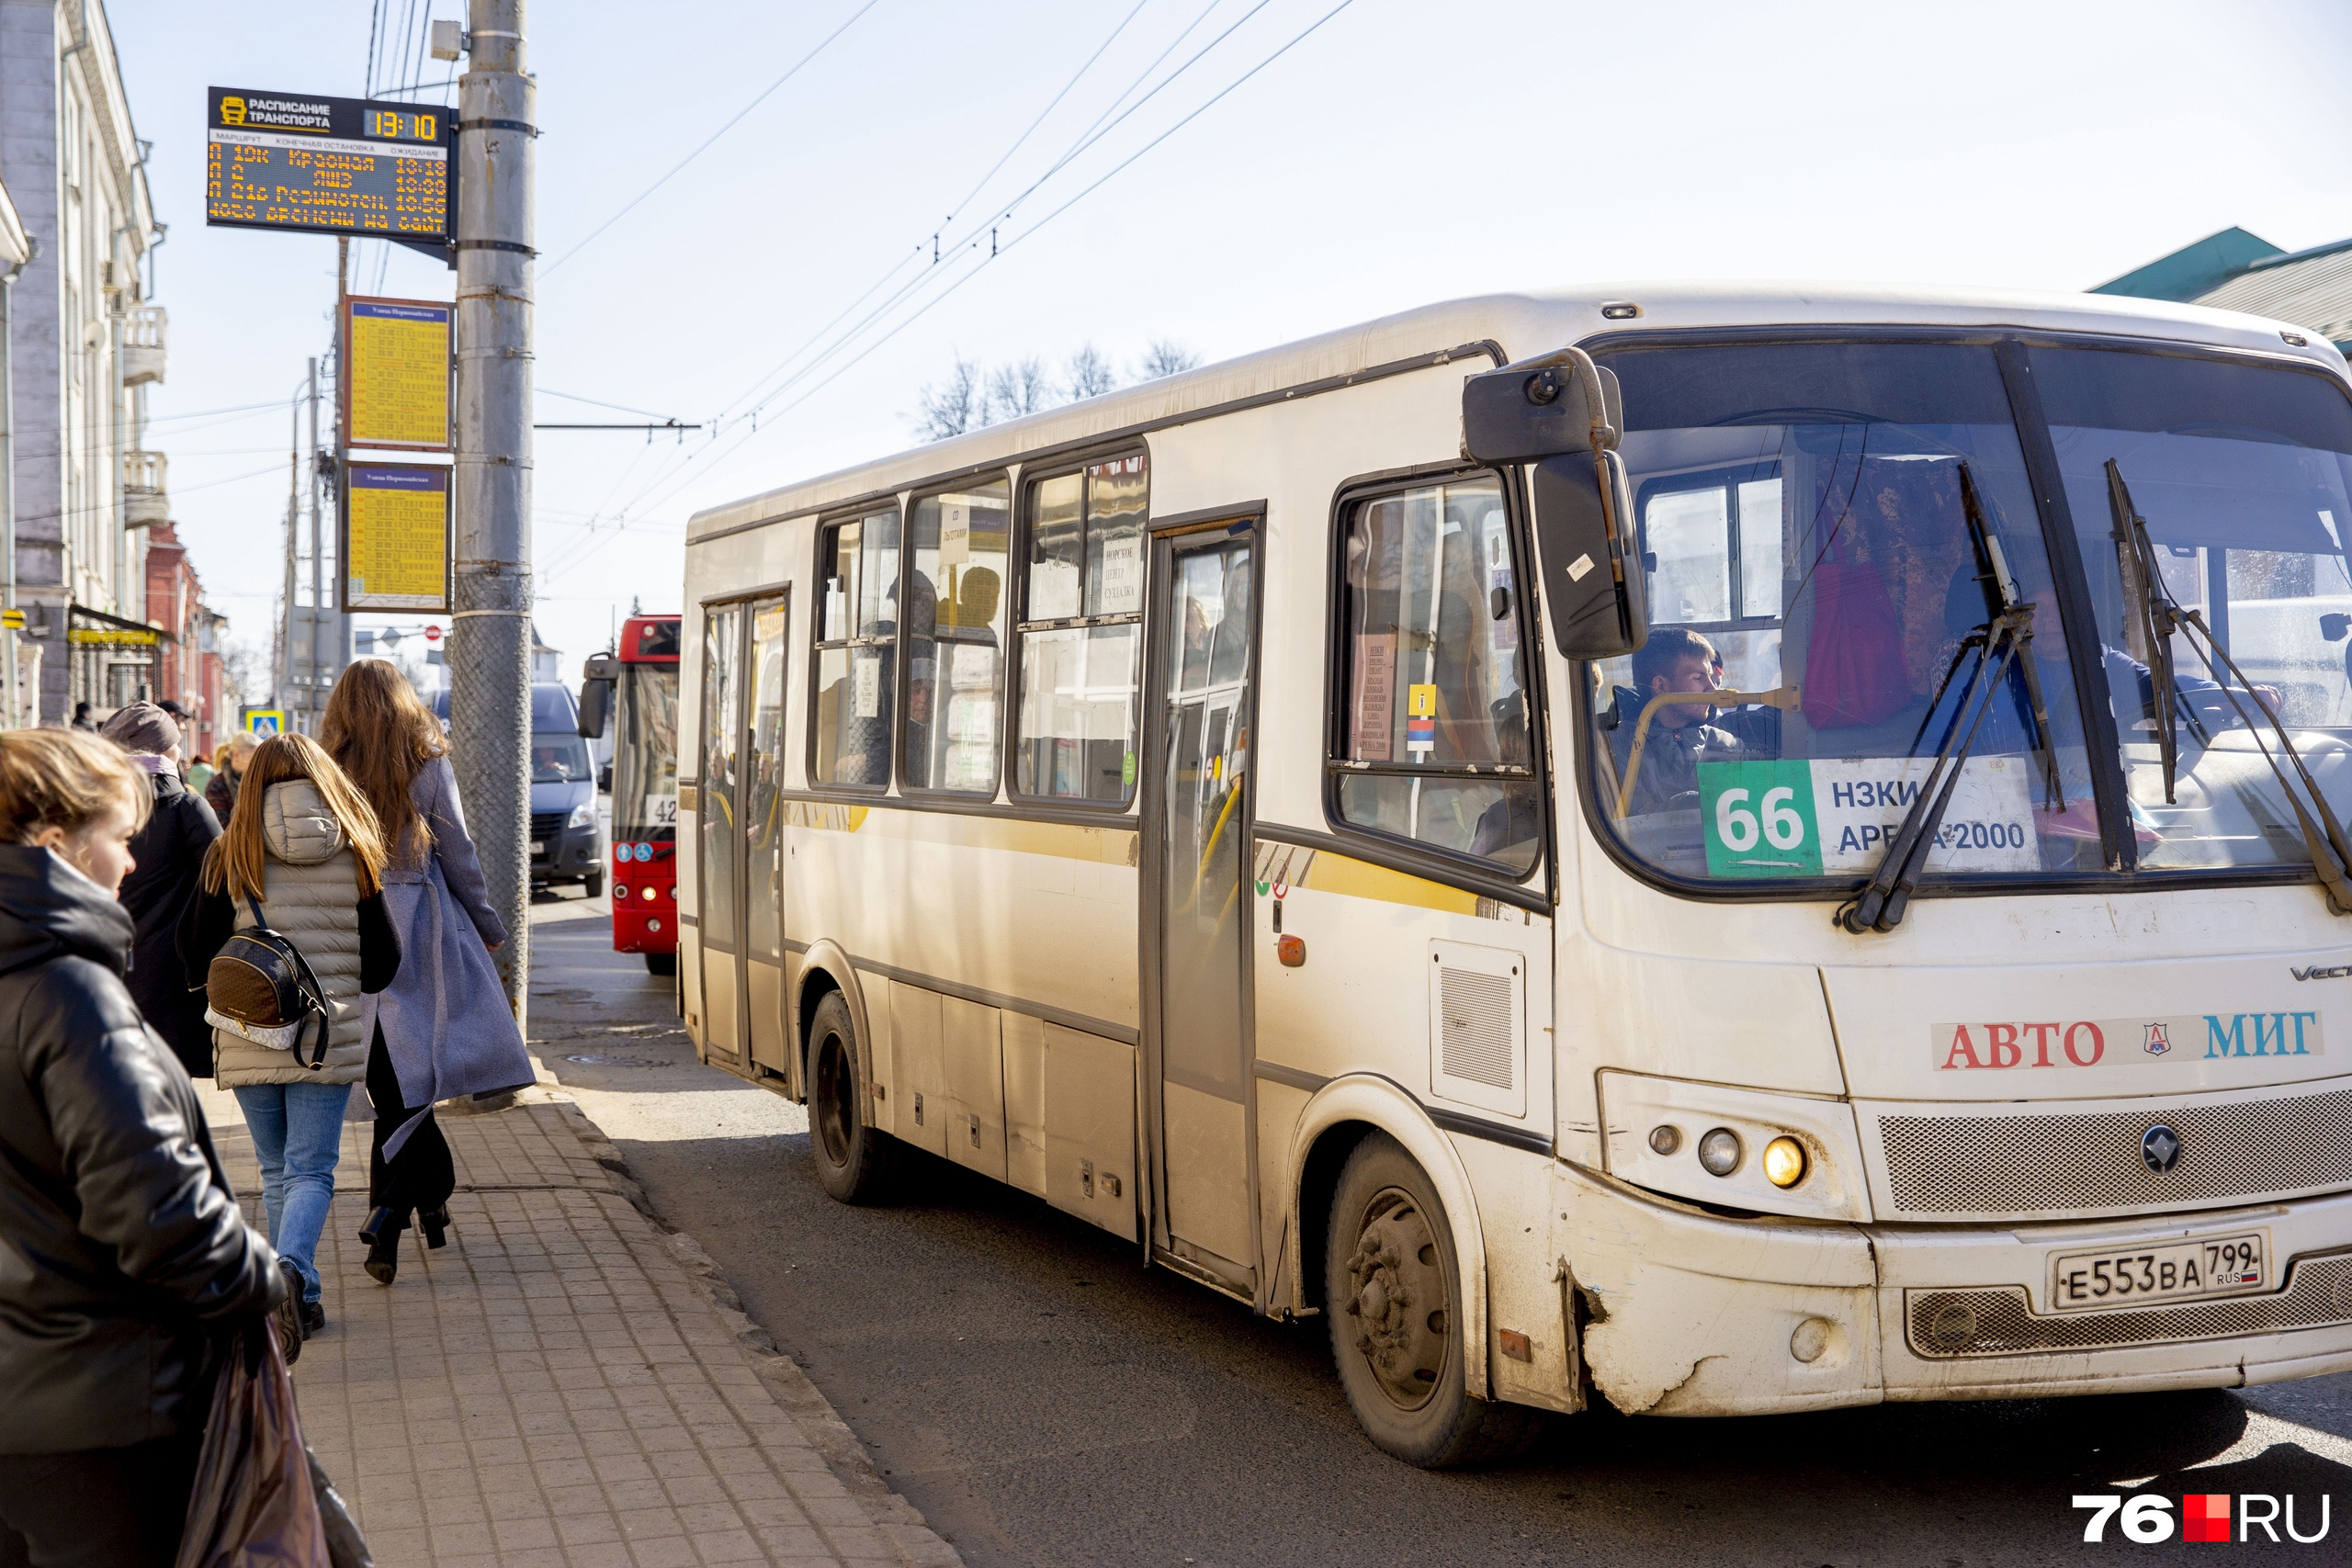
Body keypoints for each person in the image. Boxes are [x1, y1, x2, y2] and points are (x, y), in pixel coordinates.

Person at [0, 728, 283, 1567]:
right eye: (121, 840)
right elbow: (157, 1212)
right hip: (103, 1414)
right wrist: (264, 1277)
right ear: (57, 843)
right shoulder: (69, 993)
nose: (131, 863)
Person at [179, 734, 399, 1341]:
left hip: (249, 1030)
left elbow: (191, 952)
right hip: (322, 1034)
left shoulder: (230, 852)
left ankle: (293, 1292)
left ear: (252, 784)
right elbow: (384, 962)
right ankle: (294, 1274)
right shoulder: (355, 852)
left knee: (277, 1168)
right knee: (311, 1169)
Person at [321, 660, 531, 1286]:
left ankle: (413, 1205)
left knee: (397, 1084)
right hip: (419, 931)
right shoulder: (429, 764)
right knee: (415, 1082)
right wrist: (490, 924)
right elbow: (460, 855)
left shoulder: (327, 768)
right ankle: (398, 1209)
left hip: (350, 928)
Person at [98, 702, 221, 1081]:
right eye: (176, 742)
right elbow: (224, 879)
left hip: (107, 963)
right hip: (173, 971)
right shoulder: (185, 806)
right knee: (167, 1085)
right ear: (162, 749)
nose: (181, 750)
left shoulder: (93, 805)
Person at [1610, 627, 1743, 814]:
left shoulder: (1725, 744)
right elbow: (1634, 823)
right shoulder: (1619, 748)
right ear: (1661, 686)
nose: (1712, 689)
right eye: (1698, 678)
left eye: (1711, 677)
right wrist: (1706, 802)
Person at [206, 731, 256, 823]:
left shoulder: (258, 781)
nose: (258, 764)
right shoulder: (216, 785)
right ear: (236, 755)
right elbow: (222, 826)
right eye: (254, 758)